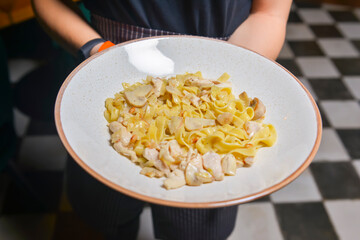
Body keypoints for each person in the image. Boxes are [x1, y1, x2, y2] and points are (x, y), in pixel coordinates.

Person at [31, 0, 292, 239]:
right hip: (105, 84)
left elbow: (268, 12)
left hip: (213, 108)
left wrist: (223, 80)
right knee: (102, 221)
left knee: (194, 233)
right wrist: (100, 51)